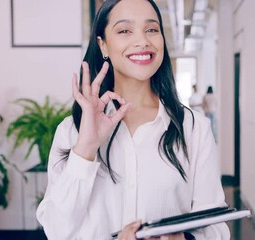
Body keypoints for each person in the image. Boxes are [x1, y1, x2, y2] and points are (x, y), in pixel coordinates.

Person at [36, 0, 229, 239]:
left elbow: (216, 226)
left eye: (151, 29)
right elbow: (56, 230)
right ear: (103, 45)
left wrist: (182, 239)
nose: (142, 41)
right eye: (124, 30)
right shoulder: (72, 130)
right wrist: (85, 148)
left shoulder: (194, 129)